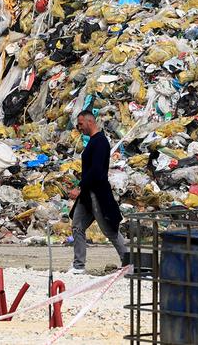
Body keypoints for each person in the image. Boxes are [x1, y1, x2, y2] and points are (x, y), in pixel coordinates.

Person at [68, 109, 129, 274]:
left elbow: (96, 171)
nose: (79, 127)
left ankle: (129, 263)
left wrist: (79, 187)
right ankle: (78, 266)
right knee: (77, 226)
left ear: (90, 122)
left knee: (110, 229)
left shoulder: (100, 142)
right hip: (87, 194)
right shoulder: (93, 142)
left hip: (97, 193)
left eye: (81, 124)